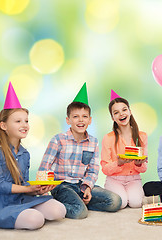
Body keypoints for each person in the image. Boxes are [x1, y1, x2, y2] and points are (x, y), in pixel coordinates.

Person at [0, 82, 66, 230]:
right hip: (0, 205)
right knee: (36, 220)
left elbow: (24, 183)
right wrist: (28, 190)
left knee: (59, 210)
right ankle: (25, 214)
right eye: (18, 121)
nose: (25, 125)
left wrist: (38, 190)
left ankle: (26, 212)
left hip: (22, 199)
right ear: (3, 125)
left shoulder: (24, 153)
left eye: (26, 121)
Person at [39, 83, 121, 219]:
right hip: (61, 186)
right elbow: (44, 167)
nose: (80, 120)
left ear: (90, 120)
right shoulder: (58, 140)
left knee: (115, 201)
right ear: (68, 120)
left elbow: (93, 170)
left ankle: (79, 202)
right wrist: (43, 190)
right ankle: (54, 204)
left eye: (84, 116)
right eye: (76, 116)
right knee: (80, 213)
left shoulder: (93, 142)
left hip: (81, 185)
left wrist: (87, 187)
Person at [101, 91, 147, 209]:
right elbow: (105, 169)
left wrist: (139, 163)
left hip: (134, 179)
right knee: (120, 203)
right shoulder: (108, 138)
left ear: (130, 112)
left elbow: (144, 168)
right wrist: (118, 163)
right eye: (116, 112)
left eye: (124, 110)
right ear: (113, 118)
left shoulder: (142, 136)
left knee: (136, 203)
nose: (121, 114)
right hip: (114, 179)